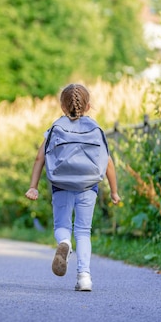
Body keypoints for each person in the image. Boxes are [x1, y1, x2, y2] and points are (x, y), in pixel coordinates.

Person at [24, 83, 120, 291]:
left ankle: (64, 243)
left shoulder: (55, 128)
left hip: (61, 184)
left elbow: (39, 158)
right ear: (88, 106)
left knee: (62, 226)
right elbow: (108, 162)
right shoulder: (95, 129)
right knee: (84, 231)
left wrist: (33, 186)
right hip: (88, 186)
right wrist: (114, 191)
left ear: (62, 106)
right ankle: (84, 277)